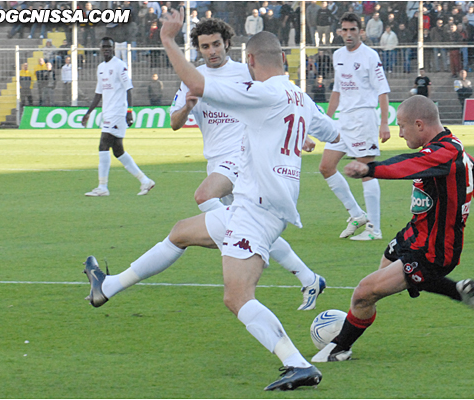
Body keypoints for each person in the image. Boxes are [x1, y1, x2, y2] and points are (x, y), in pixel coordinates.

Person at [84, 10, 340, 391]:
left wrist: (169, 41)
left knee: (237, 296)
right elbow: (334, 131)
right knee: (181, 232)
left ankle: (297, 362)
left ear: (249, 60)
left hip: (257, 207)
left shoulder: (259, 90)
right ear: (283, 59)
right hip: (256, 203)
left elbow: (199, 86)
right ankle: (108, 286)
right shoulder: (298, 95)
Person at [312, 95, 474, 363]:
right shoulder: (450, 147)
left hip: (433, 250)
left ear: (419, 125)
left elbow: (408, 165)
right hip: (414, 234)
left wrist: (369, 168)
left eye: (402, 126)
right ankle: (457, 290)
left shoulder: (443, 153)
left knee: (364, 293)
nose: (399, 133)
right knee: (380, 277)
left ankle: (339, 348)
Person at [169, 17, 327, 311]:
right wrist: (188, 107)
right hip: (217, 159)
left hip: (245, 159)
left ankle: (296, 273)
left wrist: (298, 134)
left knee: (204, 196)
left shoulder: (246, 73)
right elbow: (174, 122)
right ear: (199, 50)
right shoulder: (193, 78)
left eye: (217, 44)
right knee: (246, 227)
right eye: (205, 46)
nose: (212, 50)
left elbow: (277, 103)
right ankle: (308, 277)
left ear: (227, 43)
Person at [319, 12, 391, 241]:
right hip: (344, 120)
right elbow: (337, 90)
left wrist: (383, 124)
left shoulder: (370, 56)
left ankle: (374, 229)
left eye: (352, 30)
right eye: (344, 30)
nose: (348, 34)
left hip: (363, 119)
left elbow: (382, 89)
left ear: (361, 32)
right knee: (326, 166)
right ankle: (357, 214)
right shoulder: (338, 55)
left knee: (366, 171)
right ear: (340, 32)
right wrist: (328, 121)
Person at [81, 37, 155, 197]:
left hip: (118, 113)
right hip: (107, 112)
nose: (106, 49)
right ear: (100, 49)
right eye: (104, 47)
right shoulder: (101, 68)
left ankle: (102, 187)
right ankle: (145, 181)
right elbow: (98, 93)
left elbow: (129, 88)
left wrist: (129, 112)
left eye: (109, 47)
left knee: (103, 145)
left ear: (113, 48)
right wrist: (88, 112)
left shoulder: (120, 66)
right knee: (118, 151)